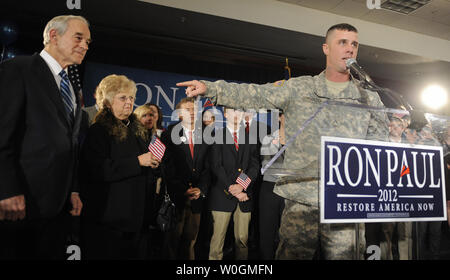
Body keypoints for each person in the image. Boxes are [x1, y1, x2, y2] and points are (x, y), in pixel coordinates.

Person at [177, 23, 389, 259]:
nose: (350, 49)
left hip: (346, 203)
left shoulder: (368, 96)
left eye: (354, 44)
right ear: (326, 48)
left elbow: (380, 144)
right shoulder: (300, 88)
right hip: (302, 200)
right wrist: (212, 89)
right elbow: (255, 94)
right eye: (342, 42)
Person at [0, 15, 90, 259]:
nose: (84, 46)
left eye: (88, 42)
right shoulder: (19, 69)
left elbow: (69, 143)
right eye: (78, 38)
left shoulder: (70, 85)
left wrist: (72, 189)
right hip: (20, 203)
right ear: (53, 36)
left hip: (57, 208)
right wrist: (6, 189)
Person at [79, 74, 161, 259]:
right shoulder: (98, 131)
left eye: (131, 98)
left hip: (136, 220)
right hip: (109, 221)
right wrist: (138, 161)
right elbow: (97, 170)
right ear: (107, 101)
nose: (129, 102)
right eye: (122, 97)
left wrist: (153, 162)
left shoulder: (137, 130)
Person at [160, 97, 211, 260]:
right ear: (180, 114)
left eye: (194, 109)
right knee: (172, 242)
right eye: (187, 109)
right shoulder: (169, 133)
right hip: (177, 197)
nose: (192, 112)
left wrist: (201, 189)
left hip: (197, 198)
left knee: (191, 241)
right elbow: (167, 166)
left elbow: (209, 166)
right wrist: (183, 189)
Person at [208, 107, 259, 260]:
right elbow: (216, 166)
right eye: (233, 111)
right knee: (217, 242)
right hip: (222, 195)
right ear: (225, 114)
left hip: (244, 195)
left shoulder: (251, 137)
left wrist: (241, 186)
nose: (237, 114)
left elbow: (254, 166)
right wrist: (233, 188)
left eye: (239, 111)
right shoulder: (217, 136)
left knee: (242, 240)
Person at [259, 113, 286, 259]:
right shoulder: (269, 138)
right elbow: (267, 165)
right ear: (279, 117)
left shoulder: (301, 140)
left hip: (290, 191)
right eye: (287, 114)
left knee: (288, 233)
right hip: (270, 188)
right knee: (267, 232)